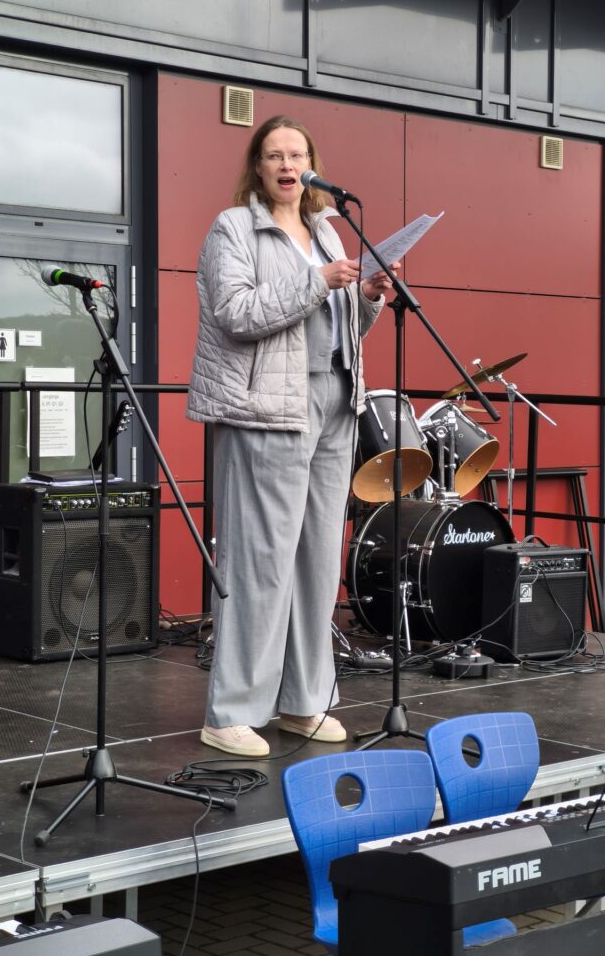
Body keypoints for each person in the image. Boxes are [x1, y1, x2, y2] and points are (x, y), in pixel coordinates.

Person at [186, 115, 393, 757]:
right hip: (269, 405)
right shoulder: (234, 229)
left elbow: (339, 320)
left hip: (335, 399)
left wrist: (368, 298)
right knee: (261, 560)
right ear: (257, 166)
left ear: (311, 164)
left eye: (296, 154)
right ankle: (231, 711)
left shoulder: (330, 231)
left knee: (316, 557)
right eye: (274, 154)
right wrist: (315, 283)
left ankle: (304, 701)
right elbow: (237, 313)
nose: (286, 165)